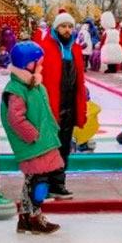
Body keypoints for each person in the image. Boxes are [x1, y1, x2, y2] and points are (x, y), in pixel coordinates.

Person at [0, 42, 64, 235]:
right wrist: (32, 135)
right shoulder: (17, 89)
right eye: (39, 62)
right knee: (38, 182)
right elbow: (14, 118)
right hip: (33, 143)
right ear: (28, 64)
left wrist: (52, 129)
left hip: (42, 141)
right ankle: (34, 217)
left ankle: (26, 218)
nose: (42, 66)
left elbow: (44, 113)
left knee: (35, 180)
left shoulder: (34, 85)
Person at [40, 11, 88, 199]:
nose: (67, 30)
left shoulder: (75, 49)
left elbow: (80, 79)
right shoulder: (45, 47)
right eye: (63, 26)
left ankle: (58, 184)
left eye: (70, 26)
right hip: (51, 104)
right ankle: (43, 183)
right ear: (56, 28)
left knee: (64, 146)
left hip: (69, 104)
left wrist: (81, 102)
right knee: (48, 146)